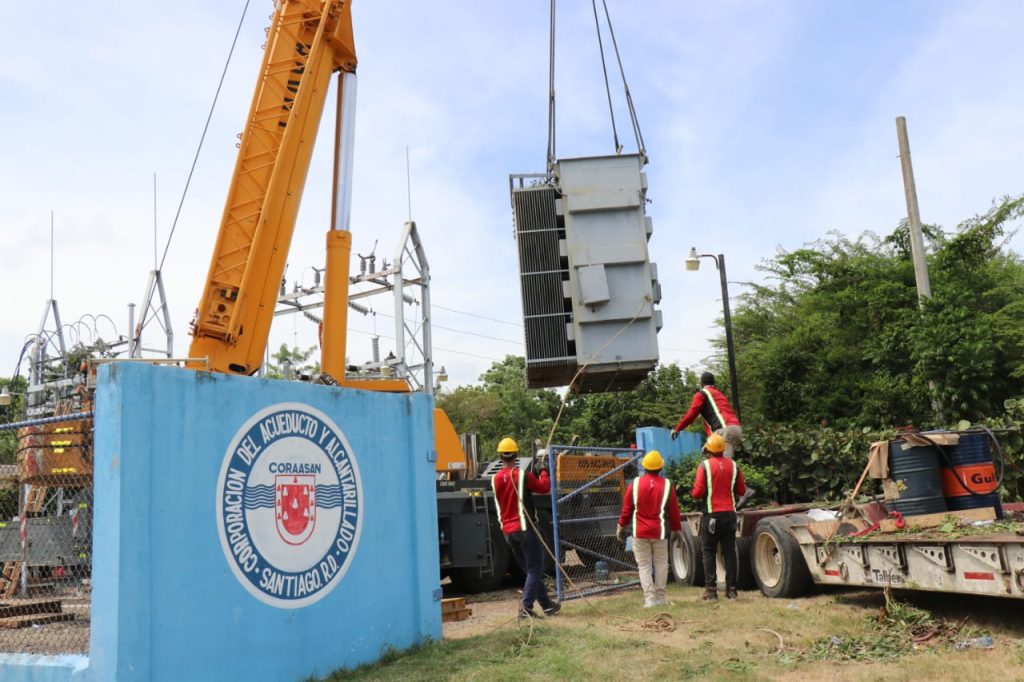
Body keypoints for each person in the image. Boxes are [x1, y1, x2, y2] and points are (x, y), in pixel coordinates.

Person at [490, 437, 560, 619]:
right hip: (525, 529)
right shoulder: (521, 475)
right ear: (516, 454)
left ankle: (547, 605)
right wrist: (543, 470)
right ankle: (526, 609)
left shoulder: (495, 479)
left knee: (530, 570)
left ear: (500, 456)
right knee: (535, 569)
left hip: (507, 532)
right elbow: (544, 487)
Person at [616, 450, 683, 608]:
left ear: (644, 467)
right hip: (659, 533)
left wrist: (620, 527)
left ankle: (649, 600)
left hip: (639, 533)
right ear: (660, 467)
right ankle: (660, 598)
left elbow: (626, 510)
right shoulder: (667, 485)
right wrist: (677, 530)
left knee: (644, 566)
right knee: (661, 564)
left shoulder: (635, 484)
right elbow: (674, 511)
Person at [690, 434, 747, 601]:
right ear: (722, 449)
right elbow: (742, 491)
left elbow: (698, 492)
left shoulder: (705, 466)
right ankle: (732, 590)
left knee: (709, 551)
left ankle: (711, 591)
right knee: (730, 552)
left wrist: (693, 493)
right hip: (730, 515)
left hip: (712, 516)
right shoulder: (734, 466)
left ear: (708, 449)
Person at [670, 371, 742, 458]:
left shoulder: (702, 394)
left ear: (701, 383)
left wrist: (678, 428)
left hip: (725, 429)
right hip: (736, 429)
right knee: (708, 453)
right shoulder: (719, 394)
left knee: (721, 464)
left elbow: (692, 414)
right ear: (714, 383)